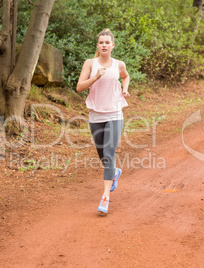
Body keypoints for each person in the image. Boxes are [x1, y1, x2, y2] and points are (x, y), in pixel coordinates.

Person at [77, 29, 130, 215]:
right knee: (102, 154)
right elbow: (79, 87)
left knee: (109, 152)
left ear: (112, 45)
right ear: (97, 46)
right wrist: (95, 77)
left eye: (108, 42)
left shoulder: (118, 64)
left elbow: (126, 76)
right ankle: (114, 172)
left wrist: (125, 89)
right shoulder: (90, 64)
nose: (104, 45)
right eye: (101, 42)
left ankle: (105, 197)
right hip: (95, 116)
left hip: (115, 114)